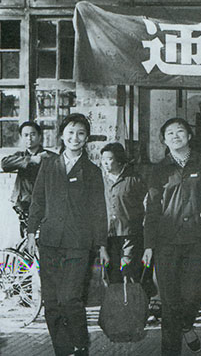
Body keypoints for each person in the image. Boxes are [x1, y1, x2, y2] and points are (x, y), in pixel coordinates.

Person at [142, 117, 201, 355]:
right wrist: (148, 245)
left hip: (199, 241)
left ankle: (187, 324)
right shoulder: (159, 170)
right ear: (164, 140)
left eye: (180, 131)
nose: (175, 136)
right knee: (170, 303)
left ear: (189, 136)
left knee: (192, 296)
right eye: (169, 133)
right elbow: (152, 210)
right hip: (166, 243)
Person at [26, 113, 108, 356]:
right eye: (70, 132)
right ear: (62, 135)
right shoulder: (48, 165)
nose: (75, 137)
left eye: (81, 133)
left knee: (70, 298)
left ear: (86, 138)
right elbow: (38, 201)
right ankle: (63, 350)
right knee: (52, 302)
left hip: (78, 244)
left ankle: (80, 345)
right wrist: (31, 232)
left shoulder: (92, 171)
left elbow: (98, 210)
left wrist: (102, 244)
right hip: (49, 241)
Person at [100, 142, 147, 285]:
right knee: (111, 273)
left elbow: (146, 202)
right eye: (103, 159)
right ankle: (115, 299)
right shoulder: (100, 180)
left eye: (109, 159)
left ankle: (132, 298)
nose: (105, 163)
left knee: (129, 271)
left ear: (119, 160)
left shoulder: (134, 179)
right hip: (108, 234)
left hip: (130, 233)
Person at [1, 121, 56, 234]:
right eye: (25, 135)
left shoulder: (51, 157)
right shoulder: (20, 156)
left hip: (45, 205)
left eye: (32, 134)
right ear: (21, 137)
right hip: (23, 205)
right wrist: (30, 160)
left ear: (40, 136)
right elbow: (4, 164)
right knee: (25, 238)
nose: (29, 138)